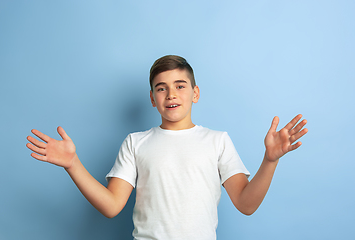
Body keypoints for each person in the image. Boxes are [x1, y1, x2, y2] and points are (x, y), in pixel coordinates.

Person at [26, 55, 308, 240]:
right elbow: (112, 206)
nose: (171, 93)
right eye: (161, 88)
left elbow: (246, 204)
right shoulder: (135, 143)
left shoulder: (217, 140)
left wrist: (270, 160)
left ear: (195, 93)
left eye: (180, 85)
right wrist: (73, 164)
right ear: (152, 98)